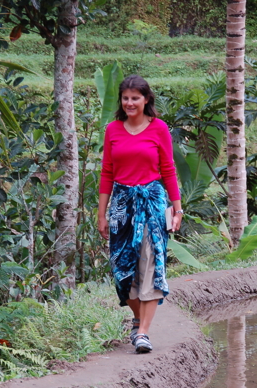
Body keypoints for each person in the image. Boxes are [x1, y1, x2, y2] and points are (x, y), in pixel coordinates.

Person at [98, 75, 183, 354]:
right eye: (126, 98)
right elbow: (107, 172)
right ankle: (137, 317)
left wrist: (177, 208)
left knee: (149, 263)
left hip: (152, 203)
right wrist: (102, 214)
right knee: (121, 272)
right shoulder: (113, 129)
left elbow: (168, 170)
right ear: (121, 101)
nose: (130, 102)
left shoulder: (158, 129)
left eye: (136, 98)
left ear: (146, 100)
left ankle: (143, 333)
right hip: (121, 205)